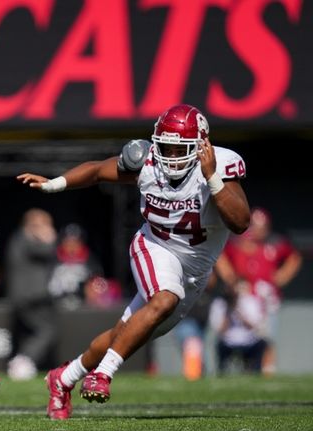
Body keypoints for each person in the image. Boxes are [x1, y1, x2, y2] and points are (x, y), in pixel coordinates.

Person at [17, 103, 250, 420]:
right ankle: (103, 374)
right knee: (165, 297)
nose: (169, 155)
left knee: (126, 333)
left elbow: (239, 223)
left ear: (201, 146)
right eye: (164, 146)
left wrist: (212, 178)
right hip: (154, 246)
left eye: (177, 147)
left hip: (195, 271)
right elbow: (98, 169)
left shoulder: (220, 166)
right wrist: (54, 183)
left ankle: (64, 378)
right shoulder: (148, 162)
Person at [215, 207, 302, 375]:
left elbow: (294, 257)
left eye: (262, 227)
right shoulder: (236, 244)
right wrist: (230, 277)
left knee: (267, 338)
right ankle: (250, 370)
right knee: (242, 339)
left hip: (266, 301)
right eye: (255, 226)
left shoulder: (275, 244)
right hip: (243, 302)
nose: (258, 231)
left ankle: (267, 371)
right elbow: (220, 256)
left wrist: (281, 276)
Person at [5, 208, 58, 380]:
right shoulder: (26, 237)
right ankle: (23, 361)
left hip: (24, 295)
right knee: (46, 331)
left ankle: (23, 361)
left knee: (33, 331)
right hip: (32, 295)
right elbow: (49, 249)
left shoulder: (19, 238)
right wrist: (49, 237)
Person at [208, 280, 267, 374]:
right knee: (219, 346)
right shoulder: (220, 304)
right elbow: (220, 330)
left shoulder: (250, 301)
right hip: (228, 341)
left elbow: (254, 326)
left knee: (262, 344)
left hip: (248, 340)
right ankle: (222, 372)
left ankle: (256, 372)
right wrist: (228, 311)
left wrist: (239, 311)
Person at [47, 223, 103, 309]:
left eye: (75, 241)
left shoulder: (91, 261)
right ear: (61, 242)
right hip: (56, 307)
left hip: (82, 307)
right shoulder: (52, 259)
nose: (72, 246)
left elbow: (98, 285)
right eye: (68, 241)